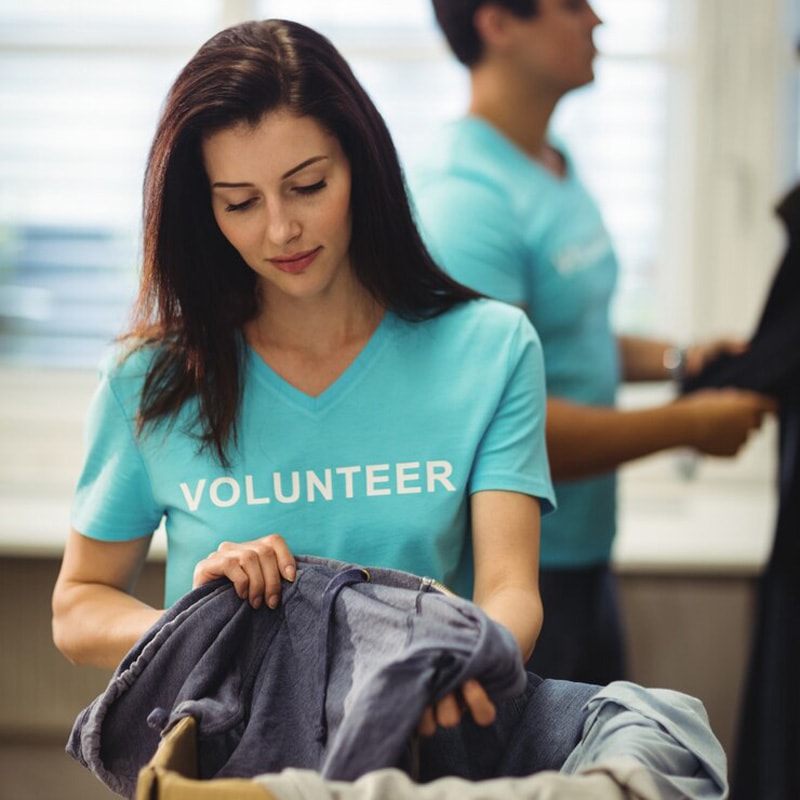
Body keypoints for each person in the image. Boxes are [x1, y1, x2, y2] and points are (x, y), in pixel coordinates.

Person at [51, 17, 557, 736]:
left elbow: (510, 588)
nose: (281, 230)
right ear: (206, 210)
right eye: (241, 203)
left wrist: (476, 657)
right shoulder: (147, 379)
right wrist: (202, 627)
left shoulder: (490, 349)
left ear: (361, 167)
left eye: (308, 185)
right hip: (223, 766)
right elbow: (78, 606)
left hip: (415, 751)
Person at [409, 0, 777, 684]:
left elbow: (562, 334)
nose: (597, 22)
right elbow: (502, 426)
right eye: (573, 5)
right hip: (514, 577)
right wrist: (686, 426)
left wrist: (676, 361)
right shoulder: (464, 199)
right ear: (497, 23)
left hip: (585, 553)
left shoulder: (552, 164)